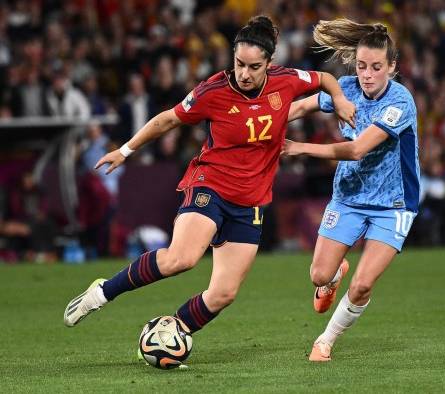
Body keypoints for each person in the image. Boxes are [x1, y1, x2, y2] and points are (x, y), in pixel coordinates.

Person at [63, 16, 355, 343]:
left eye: (254, 67)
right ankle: (102, 292)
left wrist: (340, 100)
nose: (244, 73)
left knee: (223, 294)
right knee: (181, 258)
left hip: (251, 201)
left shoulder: (287, 80)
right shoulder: (213, 90)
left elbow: (326, 78)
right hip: (210, 185)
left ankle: (171, 334)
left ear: (269, 64)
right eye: (239, 63)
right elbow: (167, 120)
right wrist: (126, 150)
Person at [283, 19, 419, 362]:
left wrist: (300, 148)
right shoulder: (346, 88)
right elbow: (299, 107)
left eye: (376, 67)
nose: (368, 75)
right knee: (318, 274)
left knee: (362, 285)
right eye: (361, 66)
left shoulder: (400, 102)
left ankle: (325, 341)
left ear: (392, 67)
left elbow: (358, 149)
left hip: (394, 204)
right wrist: (262, 119)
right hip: (348, 197)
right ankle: (331, 279)